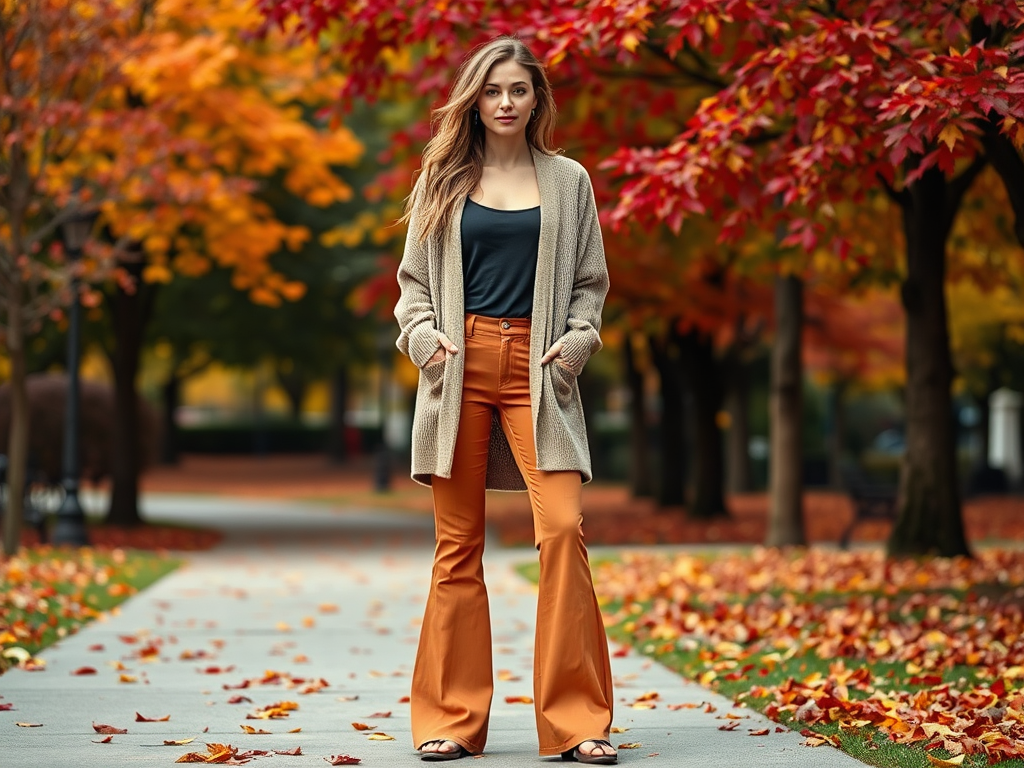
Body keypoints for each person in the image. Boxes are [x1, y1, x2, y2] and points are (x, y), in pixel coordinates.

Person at [393, 35, 615, 765]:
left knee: (564, 530)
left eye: (519, 90)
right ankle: (451, 721)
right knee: (457, 548)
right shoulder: (443, 180)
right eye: (493, 91)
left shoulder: (569, 181)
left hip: (538, 370)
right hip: (458, 370)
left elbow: (589, 282)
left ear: (536, 99)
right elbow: (412, 286)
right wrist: (424, 339)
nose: (506, 102)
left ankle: (579, 723)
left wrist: (580, 341)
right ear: (475, 100)